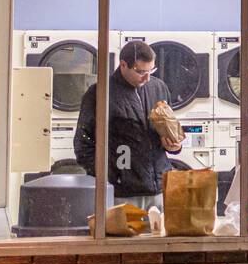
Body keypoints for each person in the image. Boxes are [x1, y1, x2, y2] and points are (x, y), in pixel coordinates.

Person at [74, 40, 181, 209]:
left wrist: (174, 146)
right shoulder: (100, 93)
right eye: (140, 72)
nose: (147, 78)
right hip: (121, 193)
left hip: (160, 188)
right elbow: (83, 144)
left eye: (151, 70)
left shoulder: (158, 87)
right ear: (123, 65)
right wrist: (111, 177)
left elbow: (169, 128)